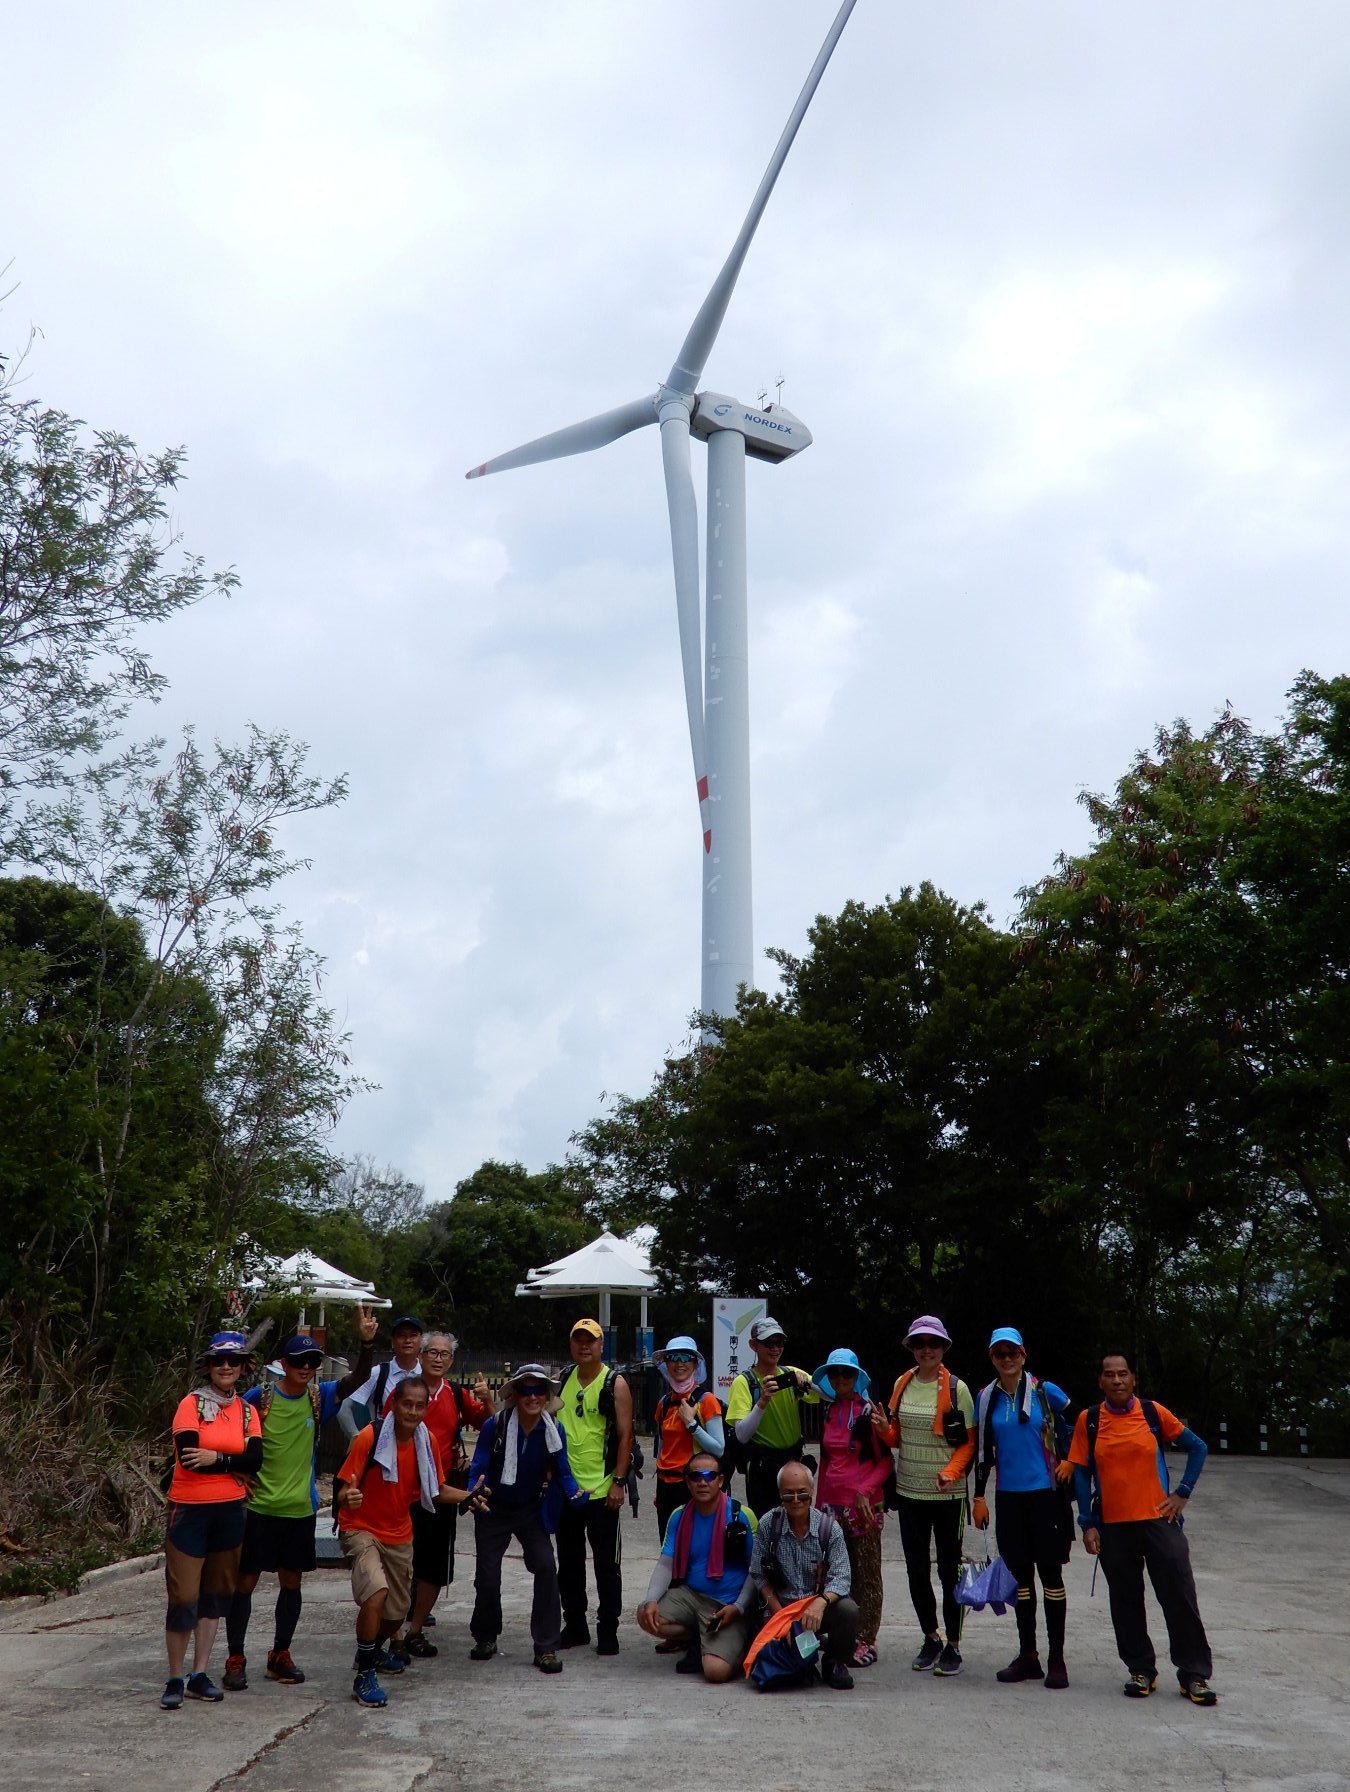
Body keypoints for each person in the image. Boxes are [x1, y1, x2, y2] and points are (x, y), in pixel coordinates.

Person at [223, 1313, 378, 1691]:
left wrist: (366, 1343)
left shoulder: (317, 1397)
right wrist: (236, 1473)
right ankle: (235, 1656)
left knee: (291, 1583)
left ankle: (280, 1653)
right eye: (299, 1361)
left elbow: (358, 1378)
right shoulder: (259, 1398)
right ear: (284, 1364)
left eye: (313, 1362)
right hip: (259, 1508)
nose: (306, 1368)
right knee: (245, 1582)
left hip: (299, 1509)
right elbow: (228, 1431)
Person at [1069, 1350, 1218, 1706]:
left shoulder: (1152, 1413)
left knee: (1179, 1596)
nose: (1117, 1380)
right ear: (1100, 1381)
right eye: (1109, 1374)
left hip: (1158, 1521)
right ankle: (1141, 1670)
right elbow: (1081, 1473)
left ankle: (1194, 1674)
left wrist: (1182, 1492)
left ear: (1133, 1378)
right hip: (1113, 1525)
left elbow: (1197, 1447)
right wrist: (1087, 1523)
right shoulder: (1090, 1420)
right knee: (1125, 1600)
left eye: (1123, 1374)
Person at [334, 1375, 478, 1708]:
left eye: (419, 1406)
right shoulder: (369, 1437)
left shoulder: (425, 1443)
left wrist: (470, 1495)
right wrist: (346, 1497)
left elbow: (436, 1490)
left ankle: (371, 1649)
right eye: (407, 1404)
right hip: (360, 1529)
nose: (412, 1412)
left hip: (399, 1534)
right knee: (376, 1592)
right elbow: (343, 1488)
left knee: (397, 1613)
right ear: (393, 1405)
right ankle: (365, 1673)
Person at [160, 1330, 264, 1710]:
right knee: (184, 1597)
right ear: (208, 1366)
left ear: (243, 1367)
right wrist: (234, 1464)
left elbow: (256, 1460)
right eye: (219, 1360)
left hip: (230, 1511)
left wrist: (218, 1459)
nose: (226, 1366)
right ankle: (175, 1676)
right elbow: (190, 1457)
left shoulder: (248, 1411)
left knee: (216, 1596)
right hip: (190, 1510)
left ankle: (199, 1674)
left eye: (233, 1361)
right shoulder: (190, 1405)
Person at [466, 1362, 588, 1673]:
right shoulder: (495, 1425)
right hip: (493, 1509)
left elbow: (562, 1470)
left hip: (530, 1509)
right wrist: (473, 1492)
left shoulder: (554, 1430)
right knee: (487, 1576)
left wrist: (575, 1493)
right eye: (526, 1391)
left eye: (539, 1391)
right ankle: (485, 1636)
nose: (532, 1397)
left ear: (547, 1396)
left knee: (546, 1566)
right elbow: (478, 1466)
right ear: (516, 1395)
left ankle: (546, 1647)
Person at [873, 1315, 975, 1676]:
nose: (926, 1350)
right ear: (912, 1348)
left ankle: (954, 1645)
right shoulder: (903, 1383)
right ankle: (931, 1637)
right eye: (919, 1343)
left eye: (933, 1343)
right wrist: (883, 1429)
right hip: (910, 1492)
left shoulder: (958, 1389)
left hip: (949, 1496)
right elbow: (896, 1437)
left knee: (950, 1571)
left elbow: (968, 1444)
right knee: (916, 1570)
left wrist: (950, 1472)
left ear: (943, 1348)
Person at [972, 1326, 1074, 1689]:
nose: (1007, 1359)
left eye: (1012, 1352)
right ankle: (1028, 1655)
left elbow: (1080, 1423)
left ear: (1023, 1354)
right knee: (1021, 1578)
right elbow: (982, 1450)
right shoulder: (986, 1397)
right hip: (1009, 1497)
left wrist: (1072, 1460)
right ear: (992, 1358)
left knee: (1051, 1575)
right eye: (1000, 1354)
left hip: (1046, 1493)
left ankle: (1057, 1658)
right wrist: (979, 1496)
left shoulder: (1044, 1391)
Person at [387, 1331, 497, 1661]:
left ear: (451, 1361)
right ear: (420, 1357)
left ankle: (415, 1631)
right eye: (432, 1352)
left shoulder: (457, 1395)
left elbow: (491, 1425)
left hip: (440, 1490)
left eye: (444, 1354)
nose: (437, 1358)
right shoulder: (404, 1392)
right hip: (402, 1490)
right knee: (398, 1564)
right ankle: (393, 1634)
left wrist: (486, 1398)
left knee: (433, 1566)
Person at [636, 1453, 758, 1682]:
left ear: (720, 1480)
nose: (703, 1482)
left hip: (727, 1603)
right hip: (692, 1596)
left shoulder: (741, 1515)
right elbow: (665, 1564)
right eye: (696, 1476)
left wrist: (739, 1607)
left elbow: (756, 1571)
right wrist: (651, 1599)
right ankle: (697, 1636)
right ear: (687, 1482)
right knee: (646, 1614)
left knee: (715, 1672)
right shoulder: (679, 1516)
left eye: (710, 1476)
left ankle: (738, 1641)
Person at [741, 1460, 857, 1690]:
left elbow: (842, 1577)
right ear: (779, 1494)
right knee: (772, 1666)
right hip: (780, 1606)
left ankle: (834, 1660)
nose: (796, 1500)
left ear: (811, 1492)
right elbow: (758, 1573)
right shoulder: (768, 1524)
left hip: (815, 1608)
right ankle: (804, 1650)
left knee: (848, 1610)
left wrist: (821, 1603)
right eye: (788, 1494)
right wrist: (781, 1616)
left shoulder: (829, 1528)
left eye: (802, 1494)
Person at [556, 1317, 635, 1655]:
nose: (584, 1346)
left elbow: (626, 1435)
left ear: (602, 1345)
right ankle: (575, 1625)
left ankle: (608, 1628)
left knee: (606, 1565)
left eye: (591, 1340)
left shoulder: (614, 1382)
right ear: (571, 1344)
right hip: (567, 1489)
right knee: (569, 1563)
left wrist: (619, 1481)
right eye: (579, 1340)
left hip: (602, 1490)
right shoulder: (563, 1379)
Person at [811, 1348, 891, 1668]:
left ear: (857, 1377)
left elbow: (885, 1462)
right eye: (835, 1373)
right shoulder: (829, 1412)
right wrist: (817, 1508)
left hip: (862, 1508)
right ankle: (843, 1633)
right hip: (831, 1508)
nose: (841, 1378)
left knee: (866, 1574)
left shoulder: (868, 1413)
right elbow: (826, 1462)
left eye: (847, 1373)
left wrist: (864, 1491)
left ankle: (866, 1639)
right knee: (832, 1573)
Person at [724, 1317, 818, 1521]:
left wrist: (807, 1384)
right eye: (769, 1343)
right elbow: (742, 1434)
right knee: (765, 1525)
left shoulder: (791, 1374)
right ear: (753, 1345)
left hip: (792, 1463)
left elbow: (830, 1394)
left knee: (797, 1522)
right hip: (762, 1468)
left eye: (779, 1343)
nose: (775, 1348)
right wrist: (762, 1402)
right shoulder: (744, 1382)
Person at [651, 1336, 724, 1545]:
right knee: (669, 1546)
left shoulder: (706, 1400)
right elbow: (663, 1447)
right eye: (673, 1358)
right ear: (666, 1364)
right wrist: (659, 1490)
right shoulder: (664, 1402)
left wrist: (691, 1424)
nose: (679, 1363)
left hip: (694, 1484)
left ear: (695, 1363)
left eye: (685, 1357)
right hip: (666, 1486)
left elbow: (719, 1449)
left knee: (695, 1547)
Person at [339, 1313, 424, 1432]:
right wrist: (356, 1437)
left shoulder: (427, 1375)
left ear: (421, 1341)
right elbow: (343, 1407)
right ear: (392, 1342)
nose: (407, 1340)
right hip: (383, 1441)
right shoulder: (379, 1373)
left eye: (413, 1335)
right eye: (401, 1335)